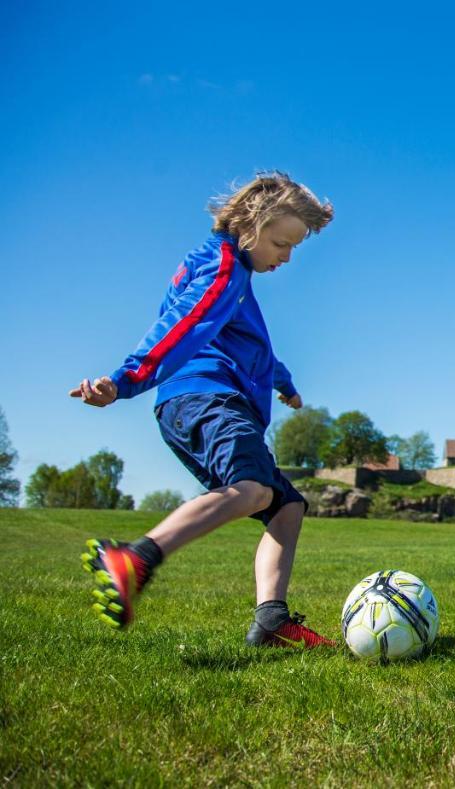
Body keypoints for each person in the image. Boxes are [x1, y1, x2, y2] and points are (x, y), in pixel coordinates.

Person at [72, 172, 336, 648]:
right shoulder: (223, 270)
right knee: (254, 489)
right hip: (205, 398)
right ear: (251, 224)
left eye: (294, 247)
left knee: (287, 505)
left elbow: (251, 346)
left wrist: (285, 384)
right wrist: (124, 380)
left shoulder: (233, 278)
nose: (287, 257)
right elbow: (183, 327)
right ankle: (135, 559)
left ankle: (272, 620)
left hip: (207, 399)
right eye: (281, 243)